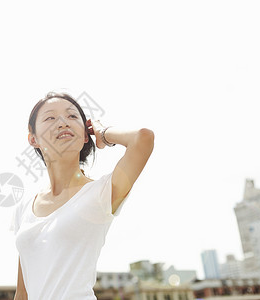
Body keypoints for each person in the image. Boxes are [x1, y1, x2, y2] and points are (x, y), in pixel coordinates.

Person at [12, 92, 154, 299]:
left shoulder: (102, 192)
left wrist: (103, 133)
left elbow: (143, 138)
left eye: (72, 117)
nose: (62, 123)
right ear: (33, 138)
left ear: (86, 134)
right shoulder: (24, 208)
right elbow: (22, 292)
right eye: (50, 118)